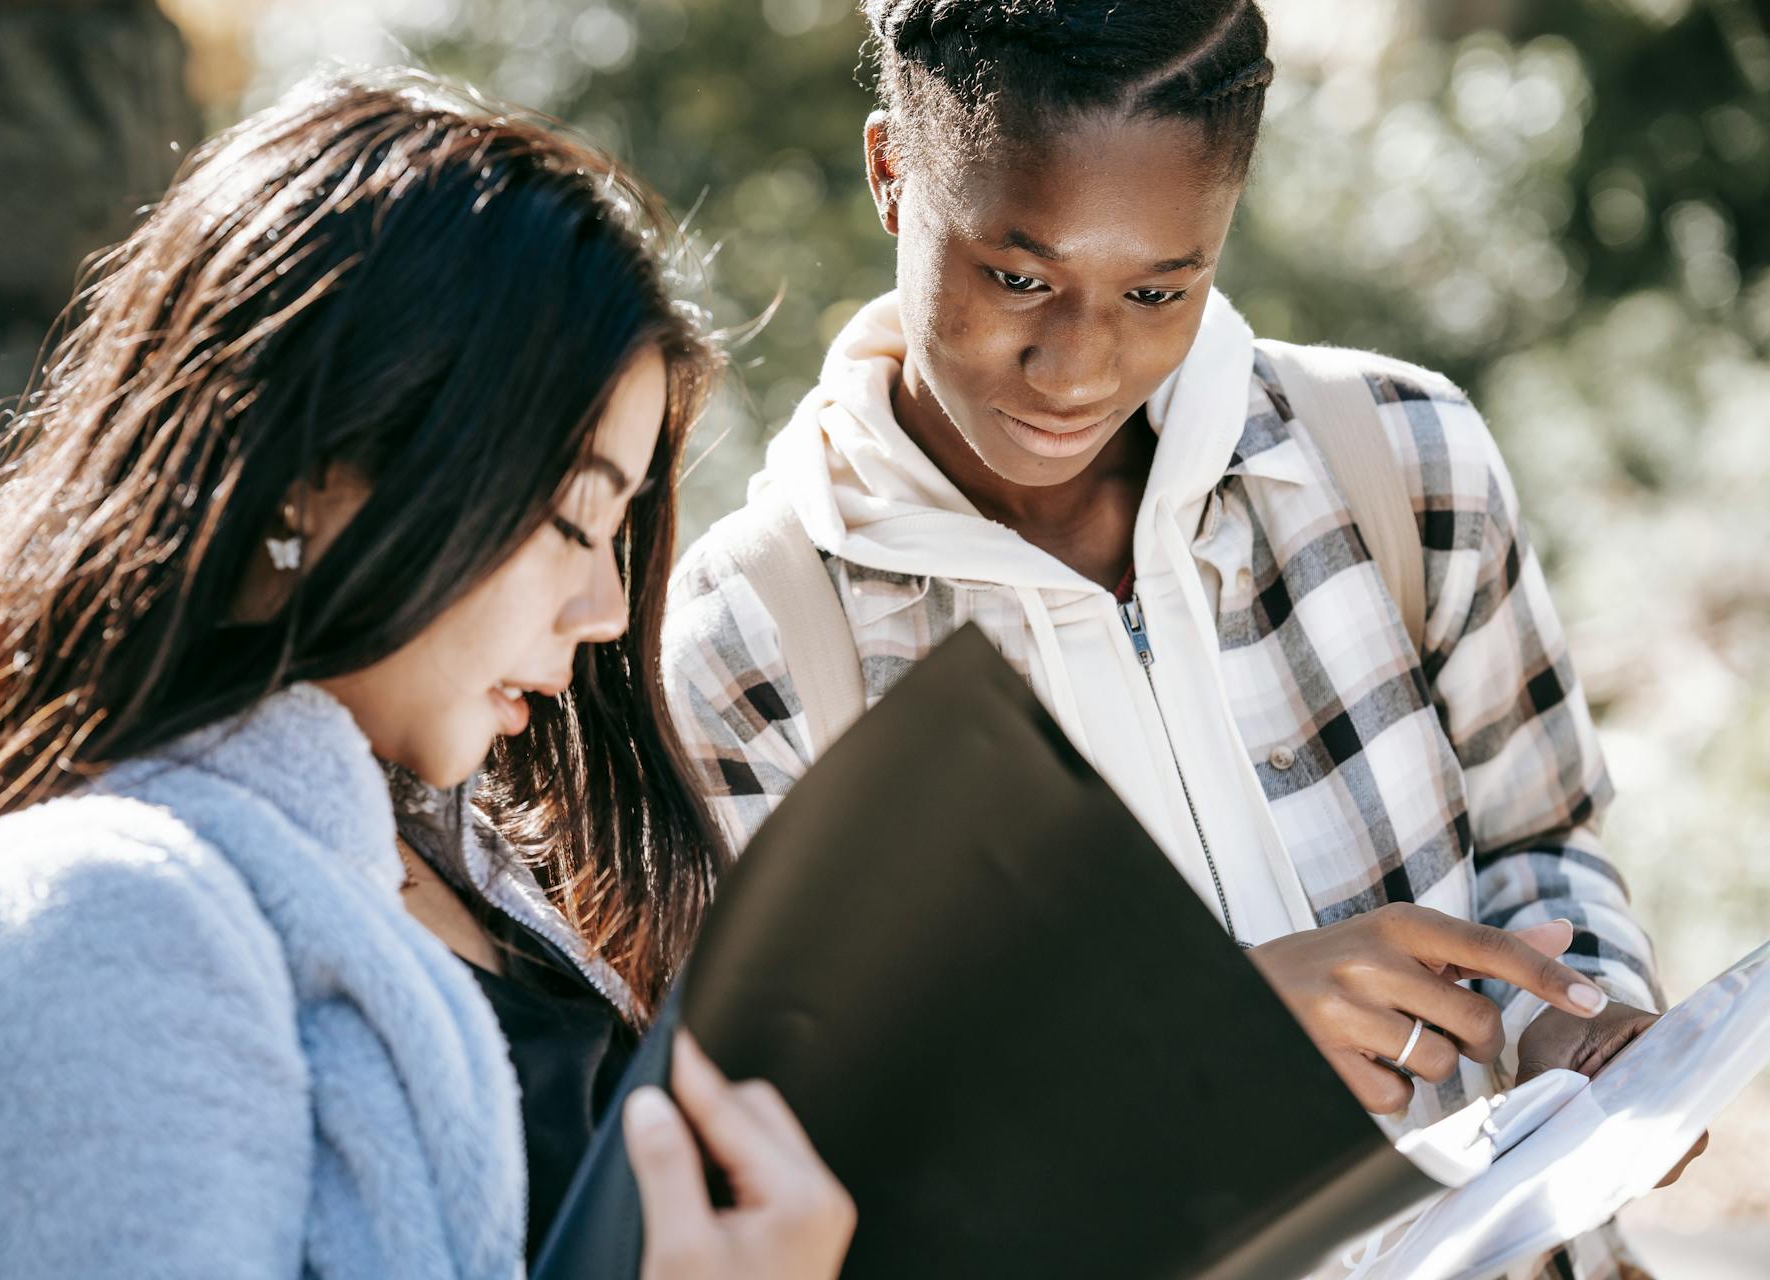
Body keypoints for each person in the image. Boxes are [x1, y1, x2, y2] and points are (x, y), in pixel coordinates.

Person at [660, 3, 1700, 1275]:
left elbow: (1541, 836)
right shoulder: (756, 645)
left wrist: (1576, 1019)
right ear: (891, 173)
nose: (1080, 367)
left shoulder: (1405, 459)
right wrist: (1198, 1054)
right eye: (1019, 276)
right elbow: (814, 1156)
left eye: (1160, 288)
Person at [0, 71, 852, 1279]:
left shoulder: (453, 868)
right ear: (314, 478)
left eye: (622, 533)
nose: (600, 612)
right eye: (575, 523)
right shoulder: (79, 927)